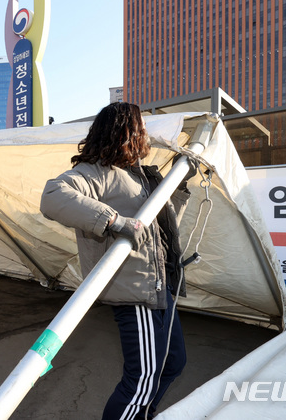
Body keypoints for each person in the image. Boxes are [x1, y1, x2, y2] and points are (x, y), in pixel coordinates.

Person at [39, 102, 193, 420]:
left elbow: (162, 222)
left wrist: (178, 183)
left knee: (173, 362)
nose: (146, 136)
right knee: (142, 379)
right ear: (128, 132)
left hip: (160, 284)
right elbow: (53, 195)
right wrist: (113, 220)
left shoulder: (140, 176)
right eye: (142, 129)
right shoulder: (96, 172)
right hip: (134, 289)